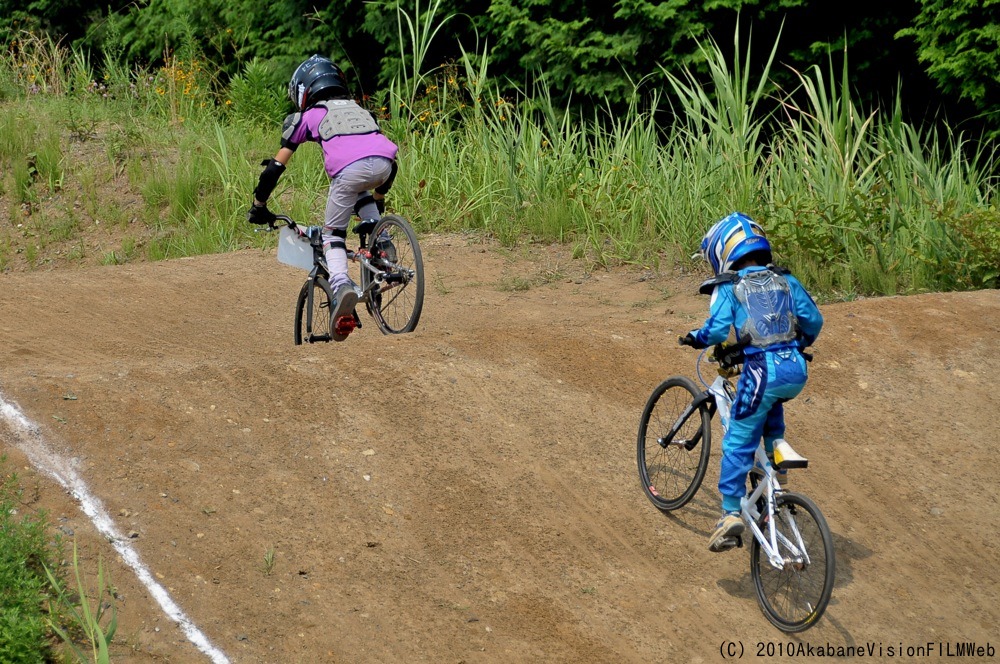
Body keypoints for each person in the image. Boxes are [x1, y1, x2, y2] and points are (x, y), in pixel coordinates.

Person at [679, 212, 824, 553]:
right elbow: (813, 320)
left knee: (737, 441)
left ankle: (730, 514)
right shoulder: (785, 279)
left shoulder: (729, 285)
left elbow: (716, 331)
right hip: (795, 370)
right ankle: (776, 459)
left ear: (721, 251)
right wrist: (799, 343)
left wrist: (695, 338)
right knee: (768, 406)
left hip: (762, 371)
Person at [247, 54, 399, 329]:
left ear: (304, 91)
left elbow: (274, 168)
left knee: (333, 236)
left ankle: (342, 285)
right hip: (386, 164)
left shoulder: (307, 117)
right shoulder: (359, 109)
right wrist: (378, 202)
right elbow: (377, 154)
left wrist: (259, 204)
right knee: (363, 192)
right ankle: (383, 241)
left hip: (349, 171)